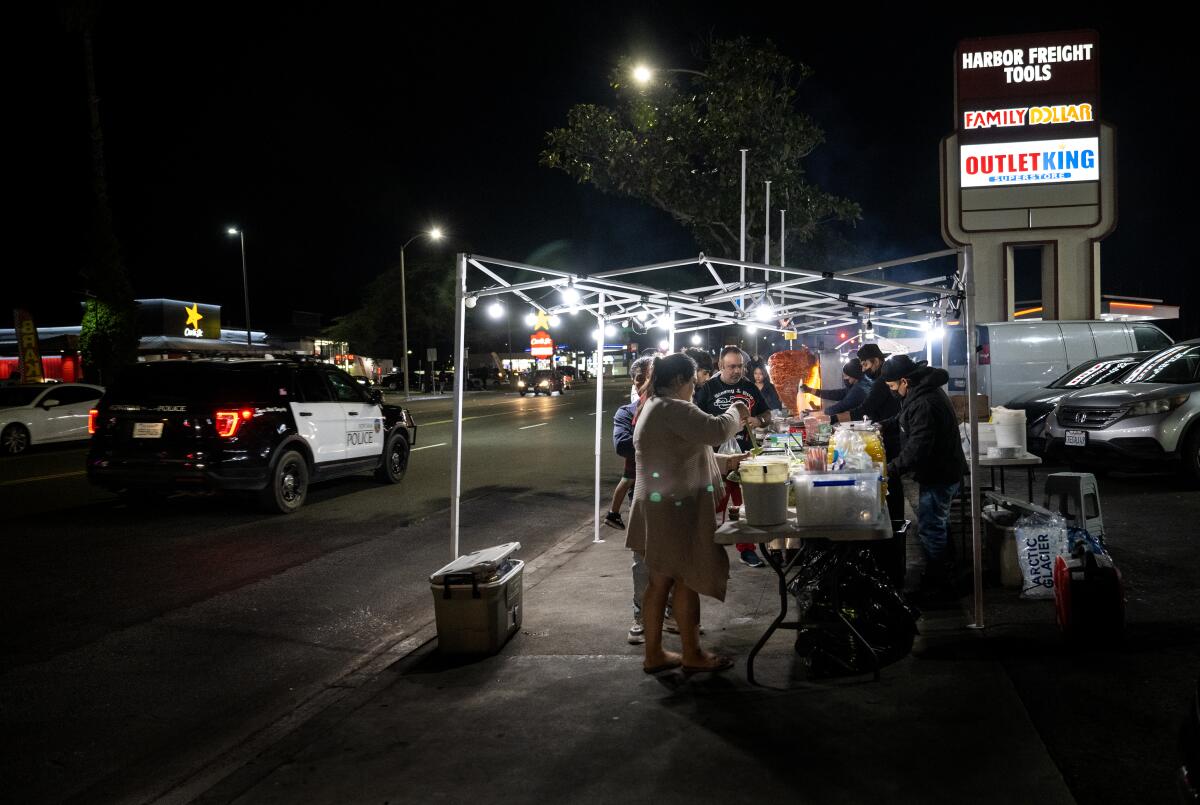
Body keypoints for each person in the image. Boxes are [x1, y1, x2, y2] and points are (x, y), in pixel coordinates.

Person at [626, 352, 749, 673]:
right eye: (693, 384)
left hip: (661, 505)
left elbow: (684, 452)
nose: (694, 390)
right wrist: (738, 409)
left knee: (665, 582)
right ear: (681, 381)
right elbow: (717, 430)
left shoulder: (654, 406)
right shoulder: (670, 407)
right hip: (671, 509)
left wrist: (732, 461)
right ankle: (687, 653)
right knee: (681, 580)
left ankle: (659, 654)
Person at [879, 354, 967, 600]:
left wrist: (890, 469)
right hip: (940, 469)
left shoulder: (924, 401)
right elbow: (904, 418)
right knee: (937, 523)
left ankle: (940, 585)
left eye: (893, 387)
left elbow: (918, 447)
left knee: (931, 527)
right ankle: (947, 572)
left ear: (905, 381)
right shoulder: (920, 392)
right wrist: (885, 425)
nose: (893, 392)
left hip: (940, 472)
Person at [693, 346, 771, 568]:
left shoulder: (749, 387)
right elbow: (696, 420)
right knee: (715, 503)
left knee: (744, 504)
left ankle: (747, 550)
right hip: (715, 456)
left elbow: (766, 414)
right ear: (720, 366)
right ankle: (710, 550)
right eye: (732, 366)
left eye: (740, 366)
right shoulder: (708, 388)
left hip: (745, 455)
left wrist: (759, 421)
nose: (737, 371)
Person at [844, 343, 906, 586]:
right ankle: (893, 538)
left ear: (877, 361)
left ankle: (893, 541)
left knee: (892, 493)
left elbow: (865, 410)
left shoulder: (881, 382)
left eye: (866, 363)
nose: (864, 368)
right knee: (892, 493)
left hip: (891, 444)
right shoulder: (880, 381)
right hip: (888, 436)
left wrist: (828, 418)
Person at [800, 359, 871, 418]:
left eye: (846, 376)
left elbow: (840, 407)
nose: (844, 378)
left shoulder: (860, 389)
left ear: (854, 375)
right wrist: (810, 390)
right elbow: (836, 394)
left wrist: (812, 414)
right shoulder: (858, 384)